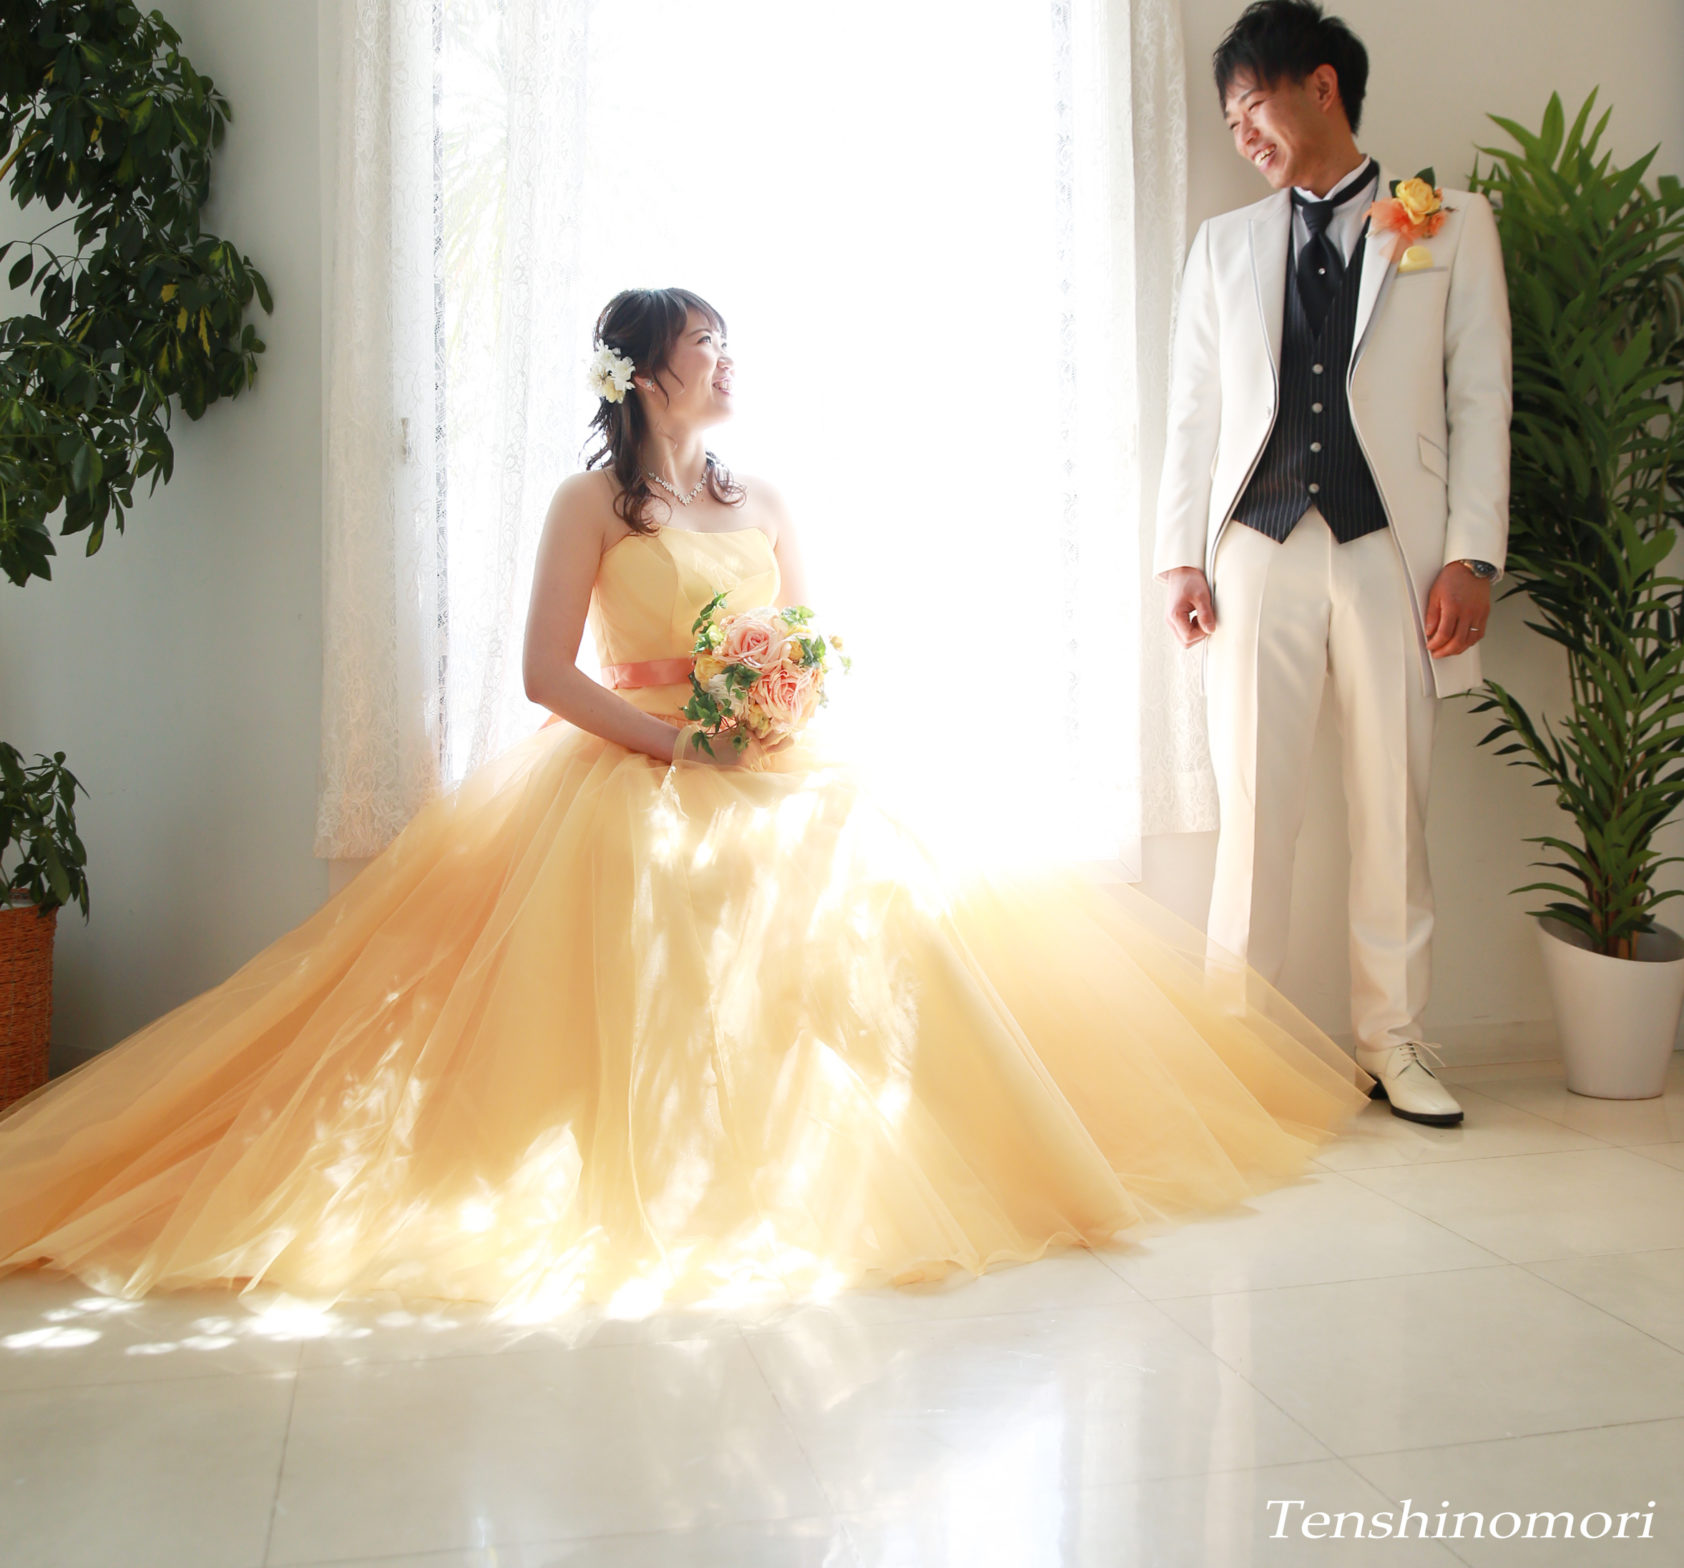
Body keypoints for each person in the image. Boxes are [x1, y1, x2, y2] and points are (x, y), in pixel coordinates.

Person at [0, 288, 1365, 1311]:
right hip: (637, 762)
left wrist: (773, 708)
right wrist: (674, 746)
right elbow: (545, 673)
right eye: (709, 343)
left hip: (766, 756)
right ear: (648, 371)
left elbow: (811, 637)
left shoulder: (759, 492)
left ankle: (899, 1153)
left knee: (890, 879)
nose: (728, 360)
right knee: (664, 900)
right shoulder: (592, 505)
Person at [1155, 0, 1512, 1128]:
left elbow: (1480, 400)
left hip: (1391, 553)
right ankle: (1238, 1047)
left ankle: (1394, 1042)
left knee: (1393, 805)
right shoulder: (1224, 245)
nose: (1241, 135)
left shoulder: (1451, 223)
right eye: (1229, 122)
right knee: (1255, 808)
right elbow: (1193, 414)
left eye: (1250, 106)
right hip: (1256, 550)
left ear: (1320, 87)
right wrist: (1177, 558)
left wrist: (1474, 555)